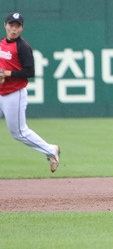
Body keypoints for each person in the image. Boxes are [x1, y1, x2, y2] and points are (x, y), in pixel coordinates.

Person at [0, 12, 60, 172]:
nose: (14, 28)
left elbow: (30, 72)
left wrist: (8, 74)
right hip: (1, 91)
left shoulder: (22, 47)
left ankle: (51, 150)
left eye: (17, 26)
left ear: (22, 28)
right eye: (11, 25)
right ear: (5, 25)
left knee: (18, 132)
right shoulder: (2, 44)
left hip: (14, 94)